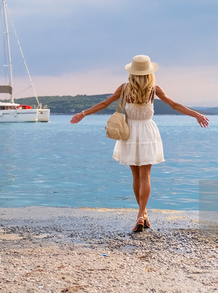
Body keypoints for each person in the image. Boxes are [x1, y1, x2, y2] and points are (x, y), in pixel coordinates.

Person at [70, 55, 209, 233]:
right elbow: (174, 105)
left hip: (129, 133)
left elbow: (105, 103)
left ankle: (141, 215)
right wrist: (195, 114)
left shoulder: (125, 88)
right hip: (148, 132)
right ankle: (142, 214)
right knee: (146, 176)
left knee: (136, 176)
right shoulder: (154, 89)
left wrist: (83, 113)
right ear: (149, 72)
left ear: (132, 72)